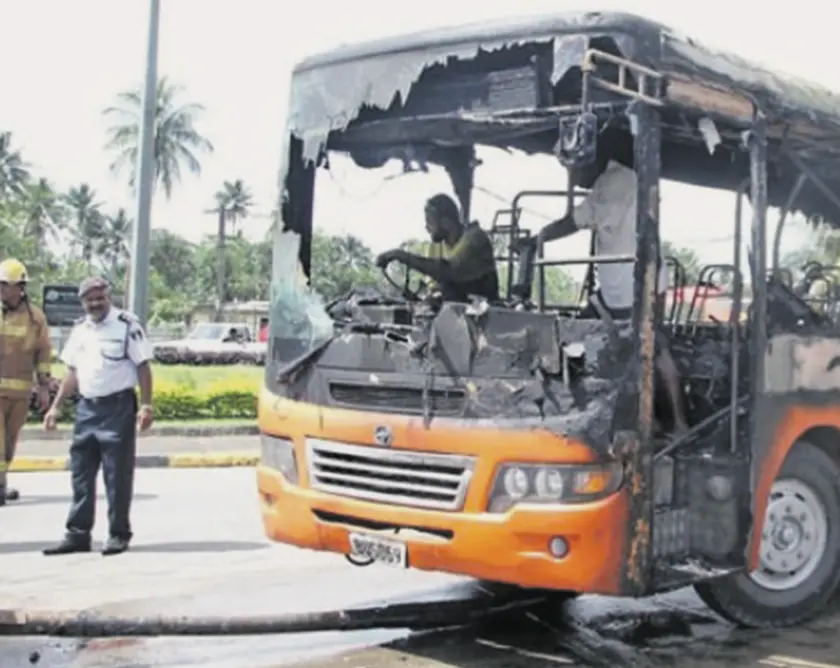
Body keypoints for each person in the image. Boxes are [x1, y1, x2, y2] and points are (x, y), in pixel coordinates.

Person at [519, 139, 689, 435]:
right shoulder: (624, 180)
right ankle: (661, 420)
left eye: (575, 169)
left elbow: (574, 220)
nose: (575, 179)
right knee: (645, 347)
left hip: (628, 288)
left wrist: (537, 241)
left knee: (645, 348)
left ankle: (670, 421)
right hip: (630, 285)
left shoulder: (613, 183)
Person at [41, 277, 155, 556]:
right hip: (86, 409)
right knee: (81, 473)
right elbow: (71, 372)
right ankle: (78, 534)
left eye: (100, 298)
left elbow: (143, 366)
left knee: (117, 476)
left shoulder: (127, 325)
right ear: (83, 302)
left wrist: (146, 405)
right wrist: (56, 407)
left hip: (117, 408)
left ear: (108, 297)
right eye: (90, 299)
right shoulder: (80, 329)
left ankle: (118, 533)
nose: (95, 304)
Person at [375, 193, 500, 303]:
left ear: (446, 221)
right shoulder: (438, 247)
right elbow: (435, 286)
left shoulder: (475, 238)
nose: (427, 227)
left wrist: (400, 255)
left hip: (484, 315)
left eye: (430, 221)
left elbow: (448, 271)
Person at [0, 258, 52, 506]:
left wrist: (43, 386)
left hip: (19, 393)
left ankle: (2, 480)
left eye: (4, 285)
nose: (0, 289)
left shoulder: (35, 318)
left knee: (10, 440)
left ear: (19, 287)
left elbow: (43, 353)